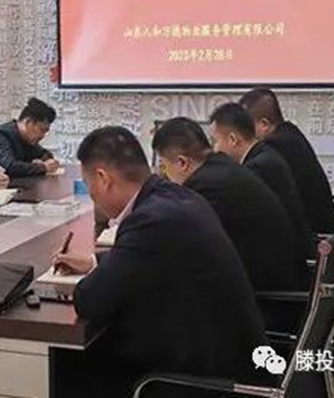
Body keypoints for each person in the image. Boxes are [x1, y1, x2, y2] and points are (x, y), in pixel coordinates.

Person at [53, 127, 267, 398]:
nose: (92, 197)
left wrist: (90, 279)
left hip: (206, 381)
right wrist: (94, 261)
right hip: (227, 357)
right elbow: (153, 257)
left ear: (103, 179)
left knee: (72, 371)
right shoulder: (174, 196)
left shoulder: (149, 220)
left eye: (89, 188)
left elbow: (90, 300)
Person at [152, 117, 306, 293]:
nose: (165, 176)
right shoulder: (221, 168)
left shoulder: (205, 187)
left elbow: (179, 244)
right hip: (277, 282)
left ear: (182, 162)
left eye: (164, 167)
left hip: (267, 296)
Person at [209, 102, 315, 258]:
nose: (214, 150)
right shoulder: (265, 155)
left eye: (215, 142)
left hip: (285, 260)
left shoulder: (257, 169)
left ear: (232, 139)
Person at [240, 88, 334, 234]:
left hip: (315, 236)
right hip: (322, 228)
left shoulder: (274, 147)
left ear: (264, 124)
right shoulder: (290, 132)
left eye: (246, 127)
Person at [0, 97, 59, 177]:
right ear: (28, 122)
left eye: (45, 132)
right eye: (42, 130)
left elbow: (45, 154)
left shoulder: (27, 139)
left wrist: (45, 161)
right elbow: (10, 167)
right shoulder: (1, 136)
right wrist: (42, 167)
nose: (42, 136)